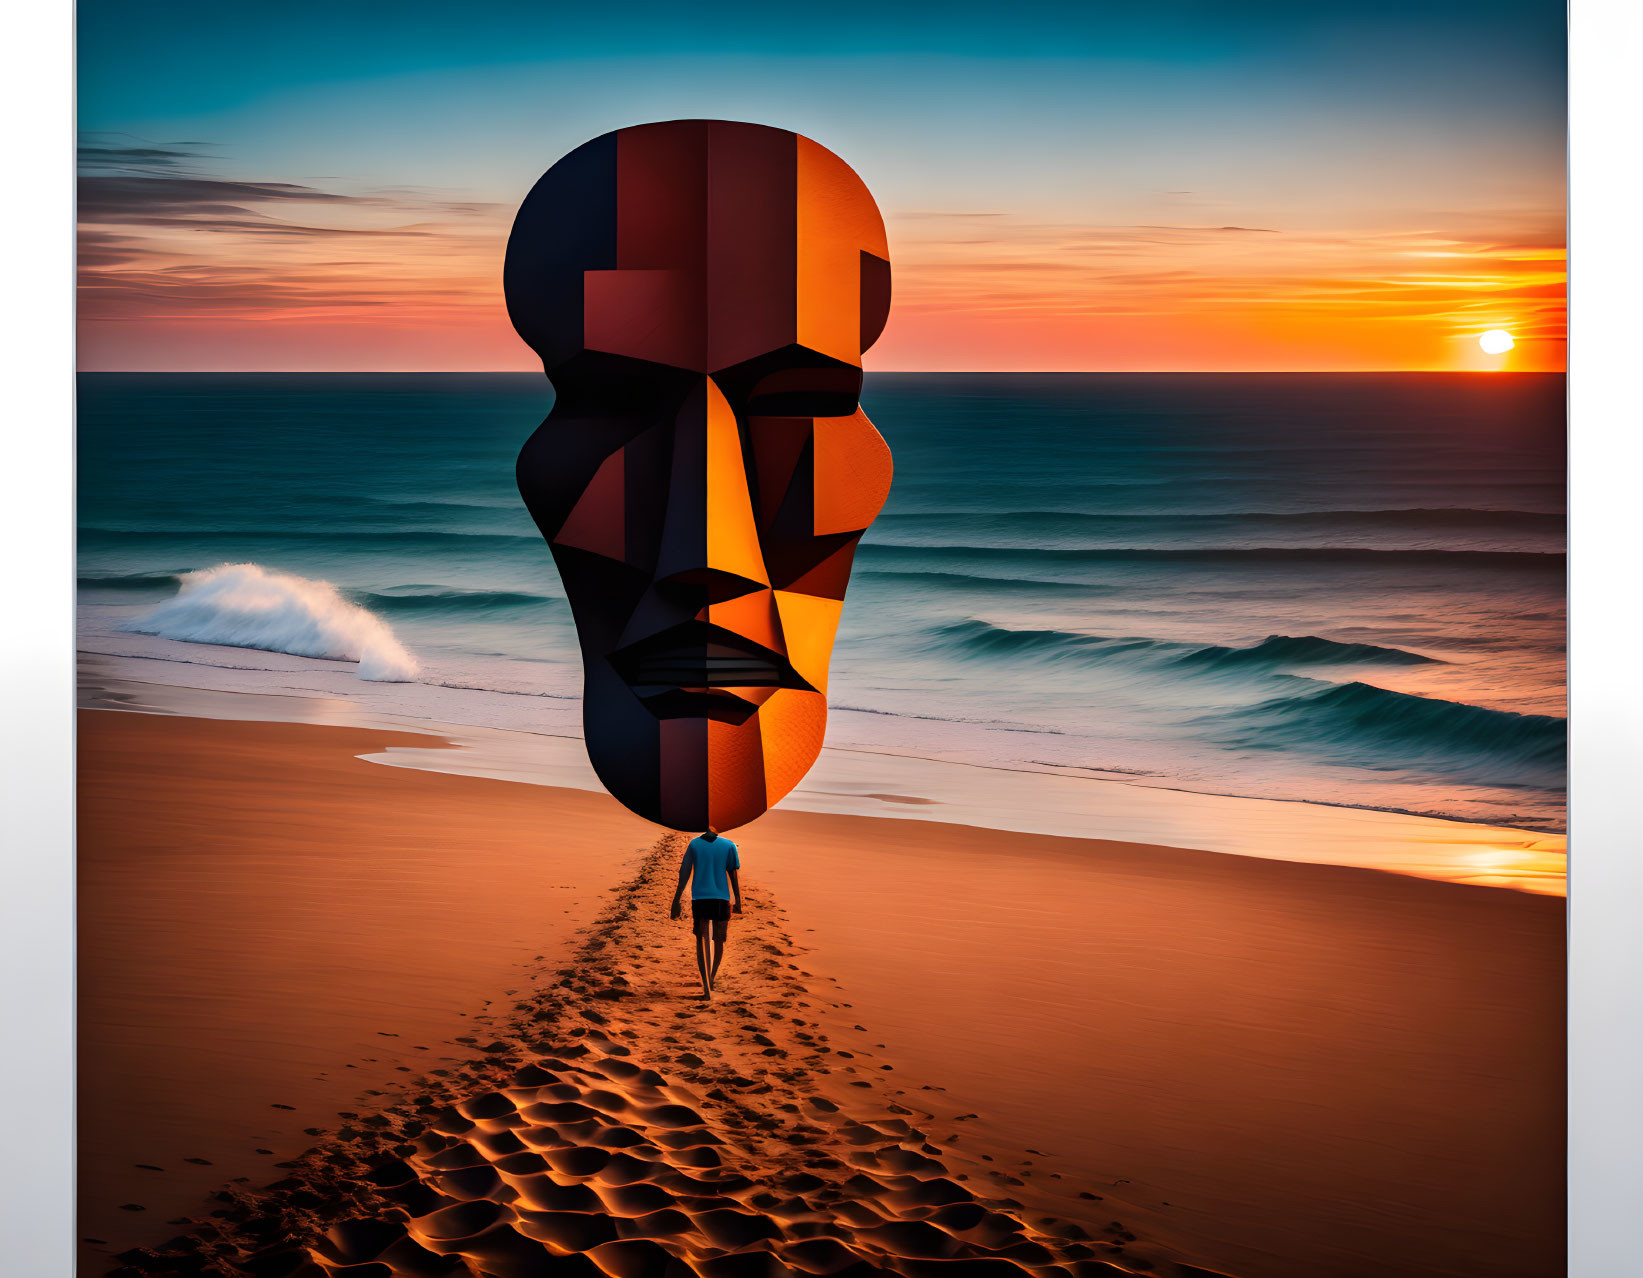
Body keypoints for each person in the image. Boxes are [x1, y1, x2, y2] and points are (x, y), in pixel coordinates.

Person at [669, 827, 743, 999]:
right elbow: (733, 874)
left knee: (701, 941)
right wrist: (738, 900)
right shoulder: (728, 845)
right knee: (718, 940)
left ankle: (706, 986)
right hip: (721, 899)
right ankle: (712, 977)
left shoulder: (694, 844)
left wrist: (676, 899)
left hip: (701, 898)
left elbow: (684, 873)